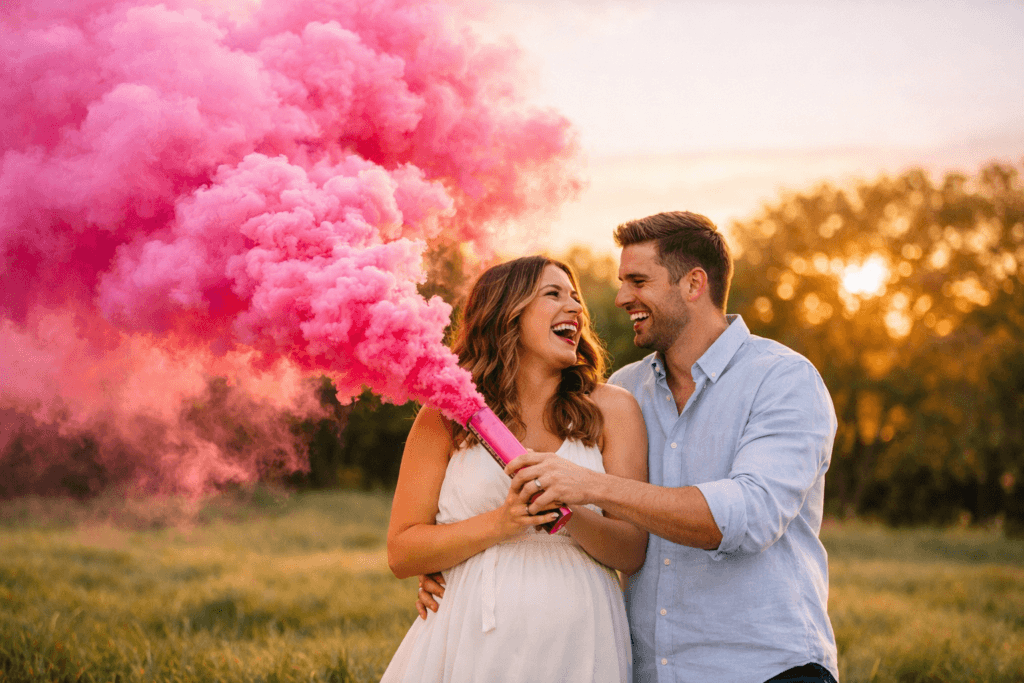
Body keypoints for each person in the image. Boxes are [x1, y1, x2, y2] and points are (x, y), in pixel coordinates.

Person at [420, 211, 840, 682]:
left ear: (694, 284)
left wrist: (590, 487)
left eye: (638, 281)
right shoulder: (623, 392)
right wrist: (463, 565)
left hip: (765, 669)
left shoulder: (782, 379)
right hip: (650, 671)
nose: (620, 298)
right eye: (621, 282)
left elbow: (748, 516)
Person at [381, 255, 649, 683]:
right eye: (554, 294)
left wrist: (570, 513)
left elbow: (632, 551)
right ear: (508, 314)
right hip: (471, 631)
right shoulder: (445, 416)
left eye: (576, 297)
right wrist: (501, 524)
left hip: (581, 635)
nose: (576, 307)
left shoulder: (613, 410)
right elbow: (402, 552)